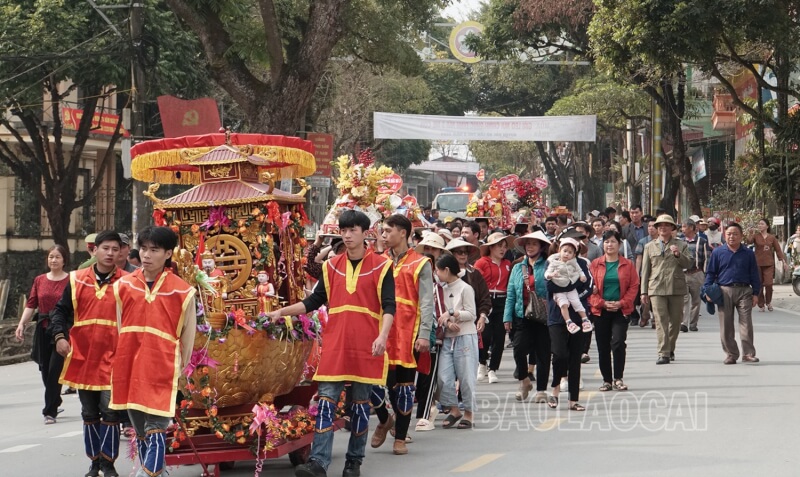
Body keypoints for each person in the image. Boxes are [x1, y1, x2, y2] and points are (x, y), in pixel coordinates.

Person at [266, 210, 395, 477]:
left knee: (359, 405)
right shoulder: (331, 265)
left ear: (364, 232)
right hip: (336, 343)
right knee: (325, 402)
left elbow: (389, 306)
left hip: (367, 343)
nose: (347, 236)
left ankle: (354, 462)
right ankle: (319, 463)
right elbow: (314, 301)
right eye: (344, 231)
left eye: (352, 230)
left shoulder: (382, 266)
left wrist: (383, 336)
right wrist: (282, 312)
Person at [109, 226, 197, 477]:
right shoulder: (123, 286)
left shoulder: (182, 291)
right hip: (130, 365)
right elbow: (119, 326)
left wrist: (180, 368)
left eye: (154, 250)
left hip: (163, 366)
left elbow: (188, 336)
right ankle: (159, 470)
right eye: (144, 249)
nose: (146, 255)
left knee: (156, 426)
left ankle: (148, 473)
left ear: (168, 253)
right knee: (139, 428)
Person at [49, 231, 127, 477]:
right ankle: (94, 463)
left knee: (110, 413)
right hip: (84, 359)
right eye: (106, 248)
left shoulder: (128, 281)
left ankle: (108, 463)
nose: (110, 253)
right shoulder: (76, 279)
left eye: (115, 249)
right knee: (89, 413)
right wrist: (59, 337)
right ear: (95, 250)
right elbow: (59, 312)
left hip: (114, 358)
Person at [371, 214, 433, 456]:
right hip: (380, 331)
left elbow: (427, 301)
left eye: (388, 231)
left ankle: (400, 437)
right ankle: (385, 418)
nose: (384, 235)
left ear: (404, 233)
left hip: (408, 331)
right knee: (374, 385)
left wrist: (425, 333)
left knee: (404, 387)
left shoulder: (421, 263)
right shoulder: (377, 261)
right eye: (383, 231)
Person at [15, 245, 70, 424]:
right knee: (45, 369)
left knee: (55, 369)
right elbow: (31, 303)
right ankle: (55, 399)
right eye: (51, 257)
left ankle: (50, 411)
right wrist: (22, 324)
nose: (53, 260)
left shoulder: (71, 280)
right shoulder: (39, 280)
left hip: (62, 330)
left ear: (64, 260)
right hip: (43, 327)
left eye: (57, 257)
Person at [546, 234, 593, 411]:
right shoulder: (552, 262)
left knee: (575, 358)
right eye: (564, 248)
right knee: (559, 354)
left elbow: (588, 287)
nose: (567, 252)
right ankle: (555, 389)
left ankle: (573, 399)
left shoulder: (582, 265)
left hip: (578, 317)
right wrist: (565, 290)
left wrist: (574, 297)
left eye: (571, 249)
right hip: (557, 316)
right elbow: (548, 286)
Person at [503, 231, 552, 403]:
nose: (530, 247)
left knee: (543, 353)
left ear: (541, 247)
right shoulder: (517, 267)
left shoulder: (548, 265)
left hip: (543, 316)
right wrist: (506, 317)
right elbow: (510, 294)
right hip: (521, 315)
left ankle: (541, 390)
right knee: (518, 349)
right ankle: (524, 380)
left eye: (534, 244)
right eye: (528, 244)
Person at [704, 223, 761, 364]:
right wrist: (707, 290)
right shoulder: (718, 252)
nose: (732, 236)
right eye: (729, 234)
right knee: (726, 324)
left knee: (746, 323)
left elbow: (754, 274)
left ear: (741, 236)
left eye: (735, 234)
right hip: (724, 291)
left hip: (744, 291)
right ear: (725, 235)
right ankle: (731, 354)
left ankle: (748, 354)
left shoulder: (748, 253)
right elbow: (711, 273)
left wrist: (755, 293)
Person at [590, 231, 639, 392]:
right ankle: (606, 380)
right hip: (601, 310)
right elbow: (589, 289)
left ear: (619, 244)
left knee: (618, 342)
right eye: (606, 242)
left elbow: (633, 286)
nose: (609, 245)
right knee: (603, 346)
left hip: (621, 310)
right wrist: (601, 303)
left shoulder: (627, 264)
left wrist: (622, 303)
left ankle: (618, 378)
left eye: (613, 242)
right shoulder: (595, 264)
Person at [640, 215, 692, 364]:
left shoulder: (681, 245)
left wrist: (678, 255)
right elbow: (645, 270)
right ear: (657, 229)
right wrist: (644, 292)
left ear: (672, 228)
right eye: (660, 225)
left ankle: (670, 348)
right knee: (661, 320)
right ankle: (663, 353)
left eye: (667, 225)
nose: (663, 228)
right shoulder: (649, 246)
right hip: (656, 288)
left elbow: (689, 264)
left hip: (676, 287)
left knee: (675, 322)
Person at [434, 254, 478, 430]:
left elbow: (471, 314)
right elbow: (439, 314)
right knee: (443, 377)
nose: (436, 274)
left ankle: (468, 412)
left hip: (465, 336)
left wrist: (453, 314)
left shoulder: (465, 288)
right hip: (447, 338)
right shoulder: (440, 290)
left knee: (466, 377)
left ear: (446, 270)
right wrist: (447, 322)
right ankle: (454, 409)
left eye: (438, 270)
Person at [412, 233, 449, 432]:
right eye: (426, 249)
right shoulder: (414, 271)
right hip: (409, 329)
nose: (429, 253)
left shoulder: (444, 277)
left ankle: (425, 414)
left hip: (433, 331)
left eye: (434, 249)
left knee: (428, 373)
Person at [444, 238, 490, 380]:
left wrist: (482, 316)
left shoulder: (475, 274)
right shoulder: (443, 274)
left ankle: (463, 397)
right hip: (447, 327)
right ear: (452, 254)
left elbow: (484, 298)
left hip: (469, 325)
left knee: (466, 366)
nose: (463, 255)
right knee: (447, 369)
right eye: (459, 252)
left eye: (465, 252)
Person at [474, 232, 514, 384]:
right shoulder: (482, 262)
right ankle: (482, 362)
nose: (502, 250)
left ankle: (493, 369)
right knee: (484, 335)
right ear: (491, 247)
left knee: (499, 336)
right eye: (499, 246)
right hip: (486, 300)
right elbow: (477, 284)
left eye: (504, 247)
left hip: (503, 301)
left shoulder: (508, 264)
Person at [545, 238, 592, 334]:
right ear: (559, 250)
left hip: (574, 297)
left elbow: (587, 283)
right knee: (563, 304)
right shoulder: (552, 261)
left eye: (570, 252)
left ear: (575, 253)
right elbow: (548, 283)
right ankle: (569, 322)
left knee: (576, 302)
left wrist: (581, 278)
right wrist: (551, 276)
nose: (567, 254)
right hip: (556, 317)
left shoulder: (580, 263)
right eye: (565, 251)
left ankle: (585, 319)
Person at [746, 219, 788, 312]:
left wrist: (783, 262)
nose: (760, 225)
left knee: (769, 284)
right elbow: (748, 241)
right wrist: (751, 233)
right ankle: (761, 304)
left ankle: (768, 302)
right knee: (759, 284)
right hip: (757, 264)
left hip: (769, 264)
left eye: (762, 224)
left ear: (767, 226)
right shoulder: (756, 236)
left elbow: (778, 250)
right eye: (759, 224)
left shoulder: (772, 237)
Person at [679, 220, 711, 332]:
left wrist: (706, 275)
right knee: (684, 299)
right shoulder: (680, 242)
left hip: (697, 273)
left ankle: (693, 323)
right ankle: (684, 323)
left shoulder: (702, 241)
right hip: (683, 274)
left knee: (696, 300)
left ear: (691, 228)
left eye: (684, 226)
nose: (682, 229)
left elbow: (707, 258)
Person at [635, 219, 659, 328]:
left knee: (656, 297)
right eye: (649, 226)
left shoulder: (662, 241)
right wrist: (637, 273)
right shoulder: (643, 241)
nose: (651, 228)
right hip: (645, 274)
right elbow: (639, 258)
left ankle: (655, 319)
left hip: (658, 274)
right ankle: (645, 315)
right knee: (645, 297)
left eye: (653, 226)